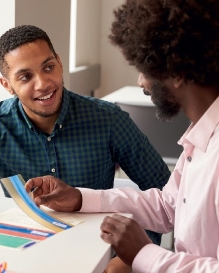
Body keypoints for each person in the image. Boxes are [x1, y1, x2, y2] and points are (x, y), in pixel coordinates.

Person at [25, 0, 219, 272]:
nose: (141, 81)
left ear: (177, 72)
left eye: (145, 68)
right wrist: (79, 198)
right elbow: (167, 206)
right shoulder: (200, 138)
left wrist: (144, 253)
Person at [0, 25, 170, 272]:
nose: (43, 83)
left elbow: (169, 196)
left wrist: (133, 258)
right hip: (25, 260)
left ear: (60, 64)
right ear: (7, 84)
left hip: (100, 259)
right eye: (25, 77)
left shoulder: (109, 120)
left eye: (48, 67)